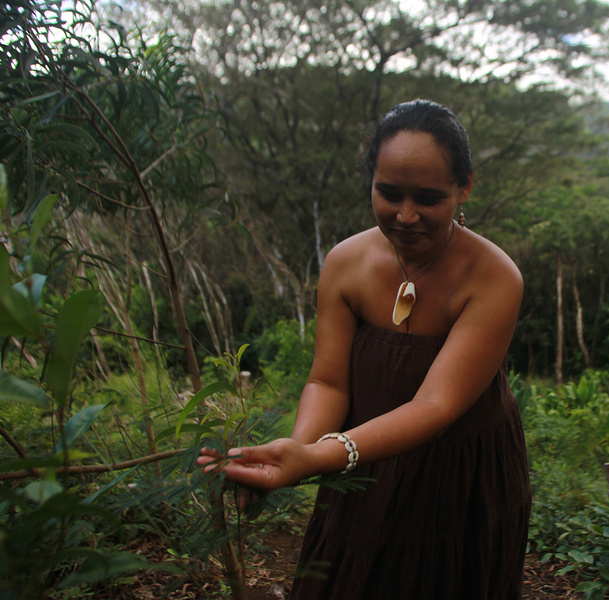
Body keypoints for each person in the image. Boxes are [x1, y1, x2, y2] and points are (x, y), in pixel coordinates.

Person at [197, 99, 531, 599]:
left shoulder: (494, 277)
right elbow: (328, 381)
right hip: (358, 470)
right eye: (388, 192)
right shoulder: (345, 264)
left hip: (458, 478)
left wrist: (319, 457)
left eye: (429, 198)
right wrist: (299, 451)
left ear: (465, 187)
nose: (406, 215)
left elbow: (434, 404)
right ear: (370, 180)